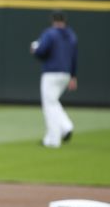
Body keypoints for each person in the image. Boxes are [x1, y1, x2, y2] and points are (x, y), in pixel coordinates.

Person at [31, 11, 79, 148]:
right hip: (66, 74)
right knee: (53, 102)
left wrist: (34, 49)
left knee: (49, 105)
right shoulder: (72, 35)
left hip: (51, 73)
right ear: (65, 20)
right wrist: (73, 76)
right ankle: (66, 126)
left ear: (53, 20)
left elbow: (41, 51)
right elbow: (74, 57)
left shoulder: (50, 33)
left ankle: (53, 139)